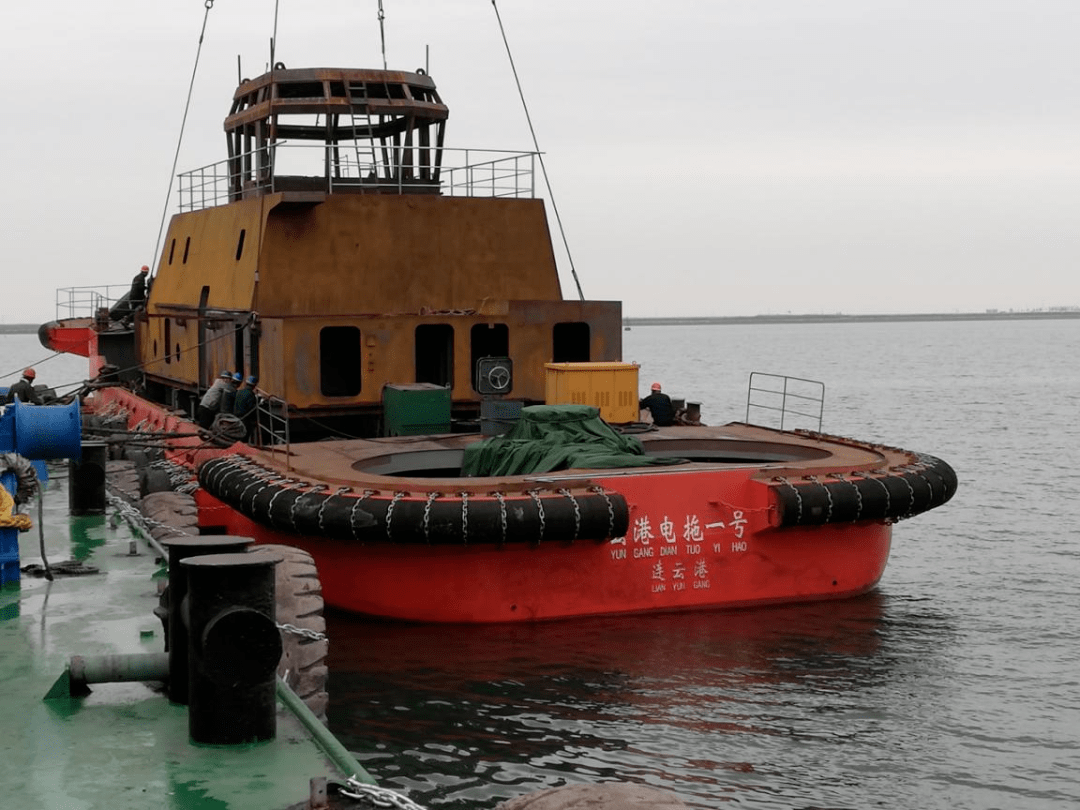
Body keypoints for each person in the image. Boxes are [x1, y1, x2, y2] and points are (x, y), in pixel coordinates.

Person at [233, 375, 259, 440]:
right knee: (245, 436)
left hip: (236, 416)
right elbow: (252, 408)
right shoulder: (250, 394)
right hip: (245, 418)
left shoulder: (239, 392)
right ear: (254, 386)